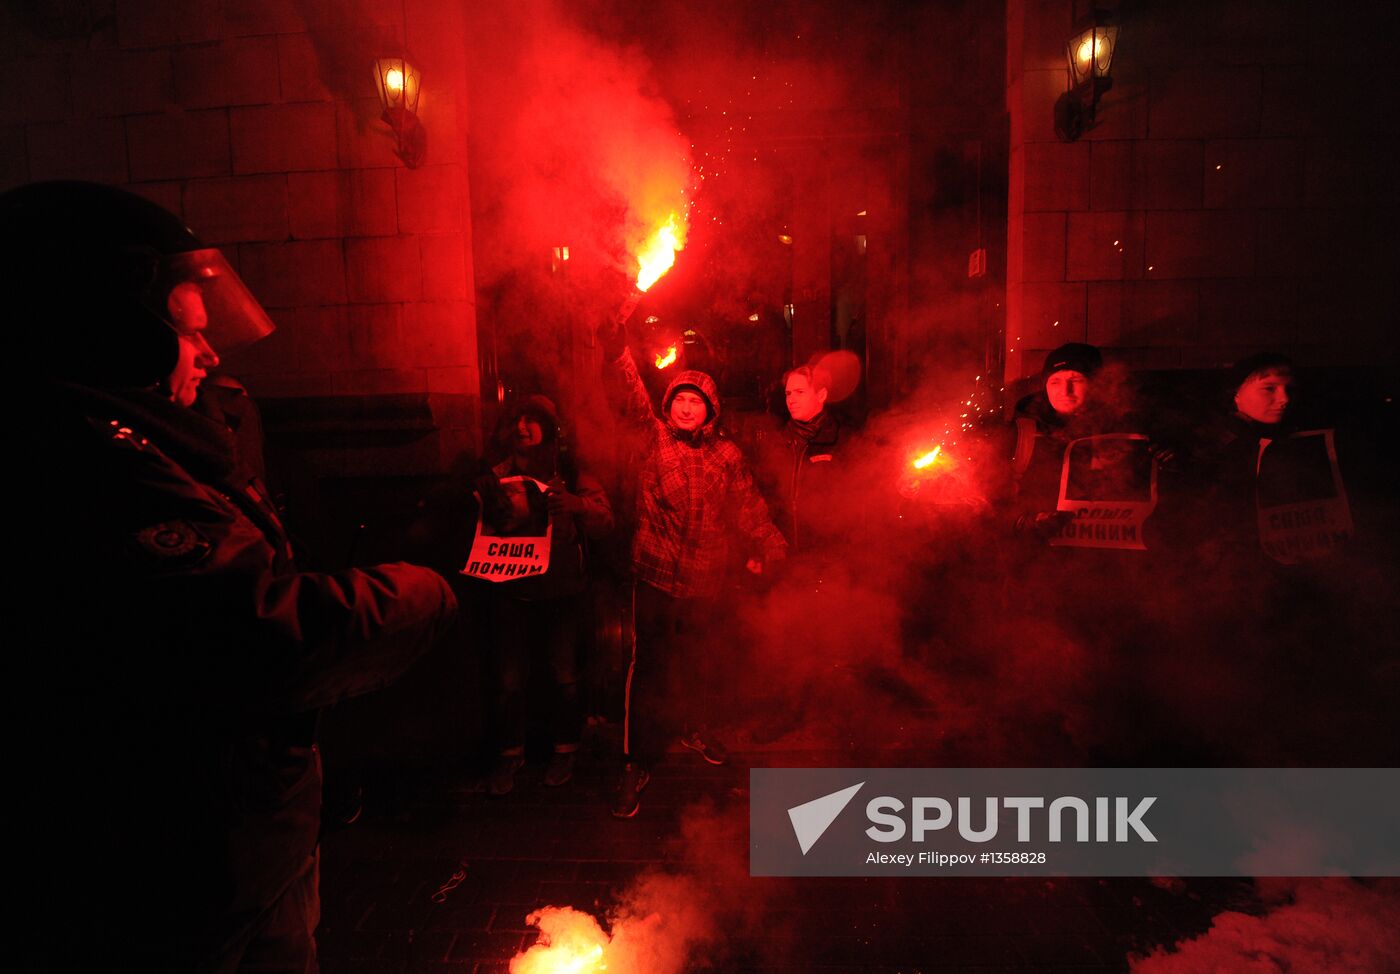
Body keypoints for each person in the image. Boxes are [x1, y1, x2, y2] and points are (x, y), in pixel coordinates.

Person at [7, 181, 459, 973]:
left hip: (242, 847)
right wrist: (428, 590)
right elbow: (257, 633)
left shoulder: (158, 434)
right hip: (174, 870)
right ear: (112, 332)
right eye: (189, 333)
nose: (211, 353)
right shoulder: (88, 463)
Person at [597, 316, 786, 817]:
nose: (685, 407)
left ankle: (693, 726)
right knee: (648, 667)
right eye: (679, 399)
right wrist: (616, 348)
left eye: (695, 401)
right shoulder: (654, 437)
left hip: (705, 580)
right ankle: (635, 761)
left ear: (710, 410)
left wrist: (773, 545)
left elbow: (749, 507)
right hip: (655, 576)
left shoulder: (726, 453)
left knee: (698, 661)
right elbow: (630, 394)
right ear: (669, 405)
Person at [476, 395, 613, 794]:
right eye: (516, 419)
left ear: (550, 427)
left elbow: (606, 521)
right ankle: (509, 755)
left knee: (565, 676)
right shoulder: (496, 474)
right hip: (512, 591)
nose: (522, 427)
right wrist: (479, 496)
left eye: (532, 419)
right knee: (508, 680)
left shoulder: (569, 471)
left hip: (562, 591)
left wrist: (574, 505)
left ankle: (565, 750)